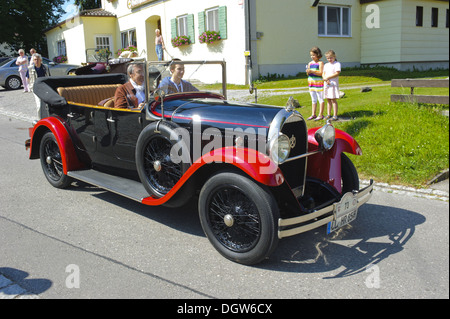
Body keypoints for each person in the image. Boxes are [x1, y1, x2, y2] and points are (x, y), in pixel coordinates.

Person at [27, 53, 50, 118]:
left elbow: (49, 76)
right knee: (39, 105)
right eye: (35, 60)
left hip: (45, 88)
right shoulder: (30, 68)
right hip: (36, 88)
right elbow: (28, 78)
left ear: (40, 60)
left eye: (38, 59)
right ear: (33, 61)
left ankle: (47, 118)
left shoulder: (45, 67)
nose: (36, 61)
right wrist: (31, 86)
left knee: (47, 104)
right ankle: (40, 120)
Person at [305, 47, 324, 121]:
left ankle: (320, 114)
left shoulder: (320, 63)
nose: (312, 57)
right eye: (311, 55)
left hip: (318, 84)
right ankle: (313, 114)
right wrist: (308, 71)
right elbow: (308, 73)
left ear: (318, 55)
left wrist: (312, 71)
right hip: (311, 83)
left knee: (320, 99)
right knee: (313, 99)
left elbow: (321, 73)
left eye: (313, 55)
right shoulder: (310, 63)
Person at [323, 50, 341, 121]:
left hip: (333, 84)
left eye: (331, 58)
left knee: (333, 100)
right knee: (328, 100)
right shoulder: (326, 65)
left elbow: (337, 73)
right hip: (327, 84)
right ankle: (328, 114)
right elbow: (323, 73)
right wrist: (325, 78)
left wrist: (328, 77)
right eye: (328, 58)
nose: (329, 59)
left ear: (334, 56)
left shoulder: (337, 64)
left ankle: (335, 115)